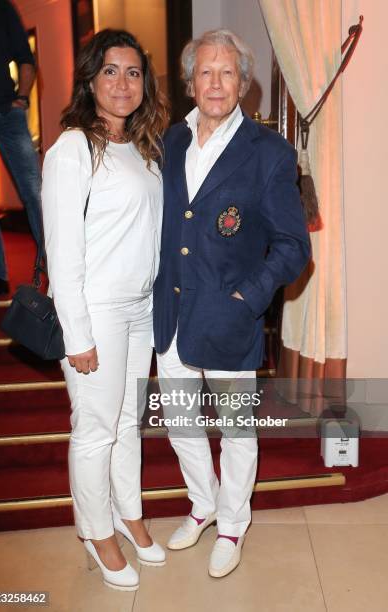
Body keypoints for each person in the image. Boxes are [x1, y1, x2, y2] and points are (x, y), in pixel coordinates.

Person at [153, 29, 311, 578]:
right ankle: (202, 503)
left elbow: (293, 246)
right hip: (171, 314)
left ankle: (232, 524)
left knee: (237, 428)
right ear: (190, 81)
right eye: (205, 72)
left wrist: (249, 296)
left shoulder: (268, 153)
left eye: (227, 73)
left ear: (243, 83)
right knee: (180, 421)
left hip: (229, 318)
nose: (215, 82)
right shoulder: (171, 141)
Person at [41, 29, 169, 591]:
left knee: (127, 424)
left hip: (140, 308)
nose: (123, 83)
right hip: (96, 309)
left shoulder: (142, 147)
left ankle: (129, 513)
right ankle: (97, 533)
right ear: (91, 79)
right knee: (94, 428)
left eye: (134, 72)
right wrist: (78, 335)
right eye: (111, 71)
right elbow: (62, 251)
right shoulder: (72, 148)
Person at [0, 0, 43, 301]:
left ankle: (54, 266)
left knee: (34, 192)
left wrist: (23, 99)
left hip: (8, 113)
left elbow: (25, 57)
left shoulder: (2, 8)